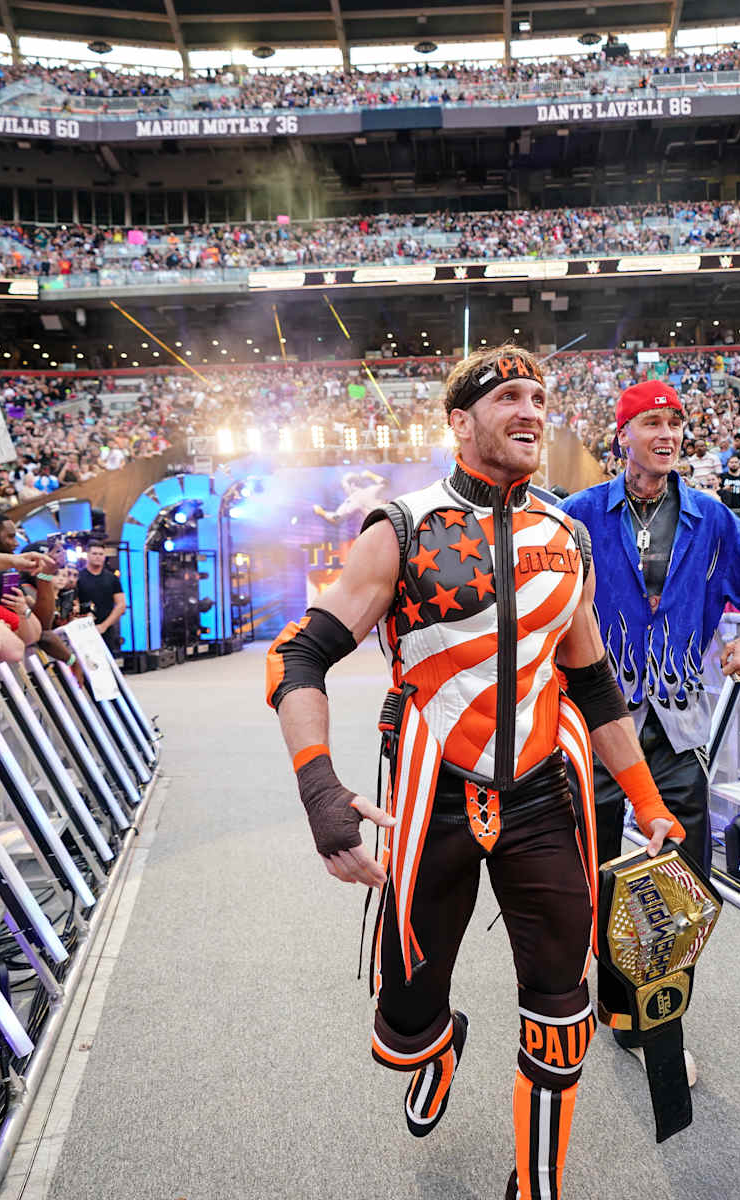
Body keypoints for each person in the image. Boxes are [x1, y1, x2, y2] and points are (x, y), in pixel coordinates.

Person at [264, 345, 679, 1200]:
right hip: (433, 799)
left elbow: (594, 681)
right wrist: (320, 793)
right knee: (401, 1021)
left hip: (542, 796)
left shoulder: (566, 536)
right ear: (458, 421)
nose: (531, 410)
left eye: (540, 396)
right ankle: (438, 1039)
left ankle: (536, 1185)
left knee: (560, 1005)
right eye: (509, 397)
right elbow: (296, 657)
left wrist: (647, 802)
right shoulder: (402, 526)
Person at [561, 379, 740, 880]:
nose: (668, 435)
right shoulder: (579, 515)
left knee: (684, 881)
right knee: (588, 877)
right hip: (597, 720)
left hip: (677, 729)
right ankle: (596, 959)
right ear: (623, 436)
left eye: (676, 423)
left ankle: (678, 964)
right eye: (652, 423)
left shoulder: (711, 516)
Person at [75, 539, 127, 654]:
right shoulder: (78, 577)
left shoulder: (112, 578)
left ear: (104, 556)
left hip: (107, 629)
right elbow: (74, 603)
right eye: (94, 554)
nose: (98, 557)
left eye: (101, 554)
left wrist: (104, 626)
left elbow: (121, 605)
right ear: (87, 555)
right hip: (82, 629)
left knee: (108, 665)